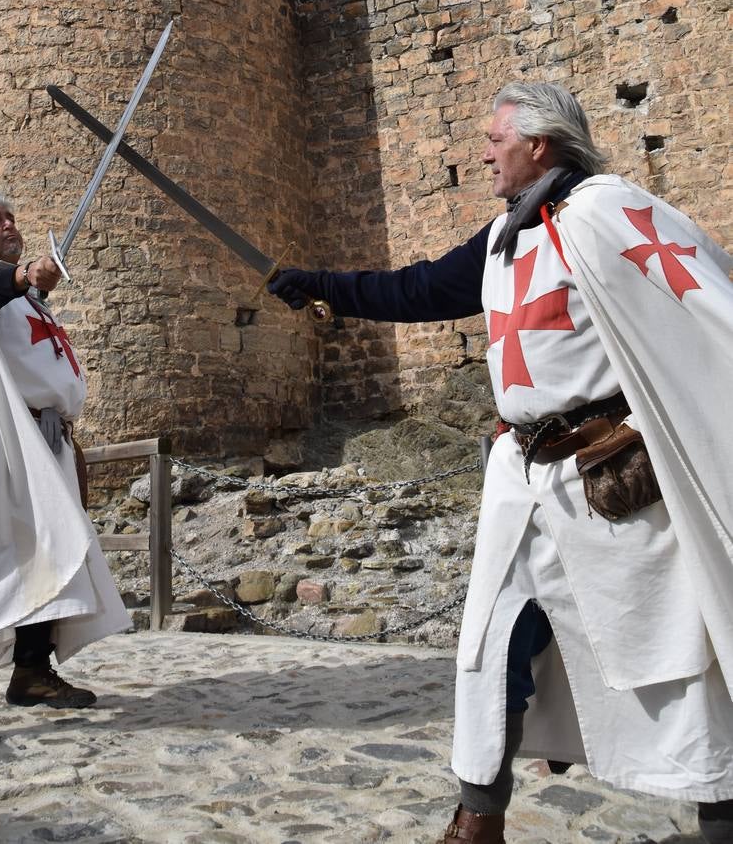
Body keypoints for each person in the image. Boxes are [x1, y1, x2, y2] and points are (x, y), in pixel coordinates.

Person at [269, 82, 733, 844]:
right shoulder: (504, 238)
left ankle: (720, 815)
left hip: (606, 475)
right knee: (490, 642)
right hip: (519, 473)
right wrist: (322, 287)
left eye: (495, 139)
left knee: (671, 648)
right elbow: (418, 287)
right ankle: (477, 817)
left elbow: (700, 294)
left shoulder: (604, 214)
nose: (483, 152)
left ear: (539, 145)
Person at [0, 190, 131, 750]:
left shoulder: (24, 300)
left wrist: (34, 288)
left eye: (14, 218)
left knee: (49, 549)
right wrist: (22, 279)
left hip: (42, 436)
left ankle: (32, 673)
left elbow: (15, 318)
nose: (10, 226)